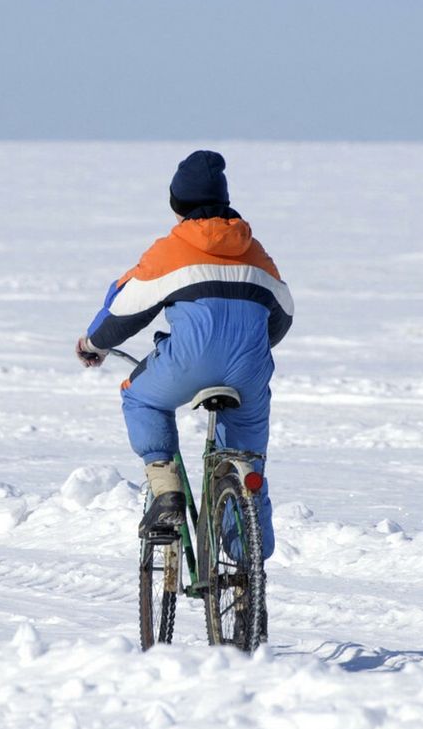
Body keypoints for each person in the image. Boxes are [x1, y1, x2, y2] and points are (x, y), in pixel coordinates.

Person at [75, 150, 292, 553]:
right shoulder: (256, 251)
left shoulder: (170, 249)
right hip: (249, 369)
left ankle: (166, 489)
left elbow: (125, 312)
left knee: (139, 397)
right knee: (245, 452)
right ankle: (247, 566)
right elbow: (282, 316)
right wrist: (246, 347)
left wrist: (94, 344)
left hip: (187, 363)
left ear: (176, 205)